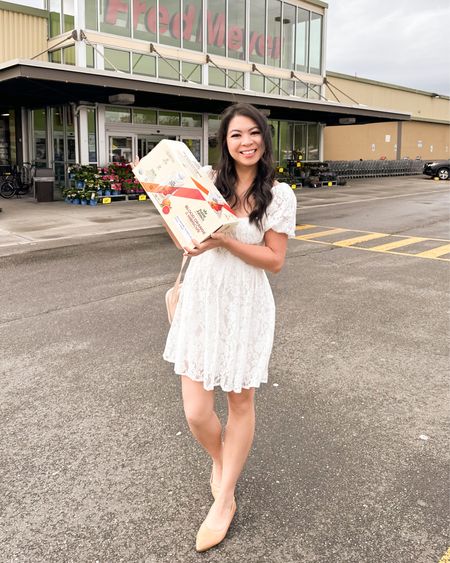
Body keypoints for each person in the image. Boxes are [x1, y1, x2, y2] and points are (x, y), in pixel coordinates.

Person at [163, 102, 297, 552]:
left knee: (240, 401)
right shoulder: (204, 181)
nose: (246, 142)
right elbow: (182, 233)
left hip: (246, 305)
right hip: (202, 300)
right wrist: (192, 234)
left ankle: (224, 500)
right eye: (237, 134)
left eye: (254, 133)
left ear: (265, 138)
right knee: (197, 411)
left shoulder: (278, 196)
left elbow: (275, 261)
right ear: (225, 141)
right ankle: (224, 463)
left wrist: (225, 239)